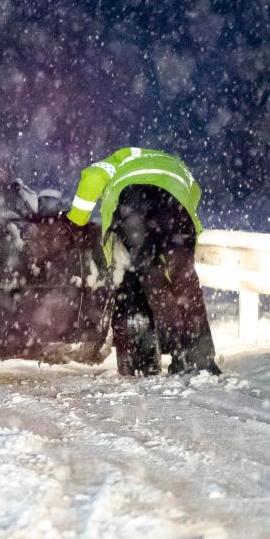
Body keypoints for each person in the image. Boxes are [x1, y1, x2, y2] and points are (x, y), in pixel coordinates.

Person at [66, 146, 221, 376]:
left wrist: (76, 221)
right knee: (185, 283)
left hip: (136, 207)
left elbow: (93, 177)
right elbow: (194, 194)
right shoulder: (175, 165)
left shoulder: (119, 159)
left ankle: (172, 356)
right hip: (177, 211)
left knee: (154, 282)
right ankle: (202, 359)